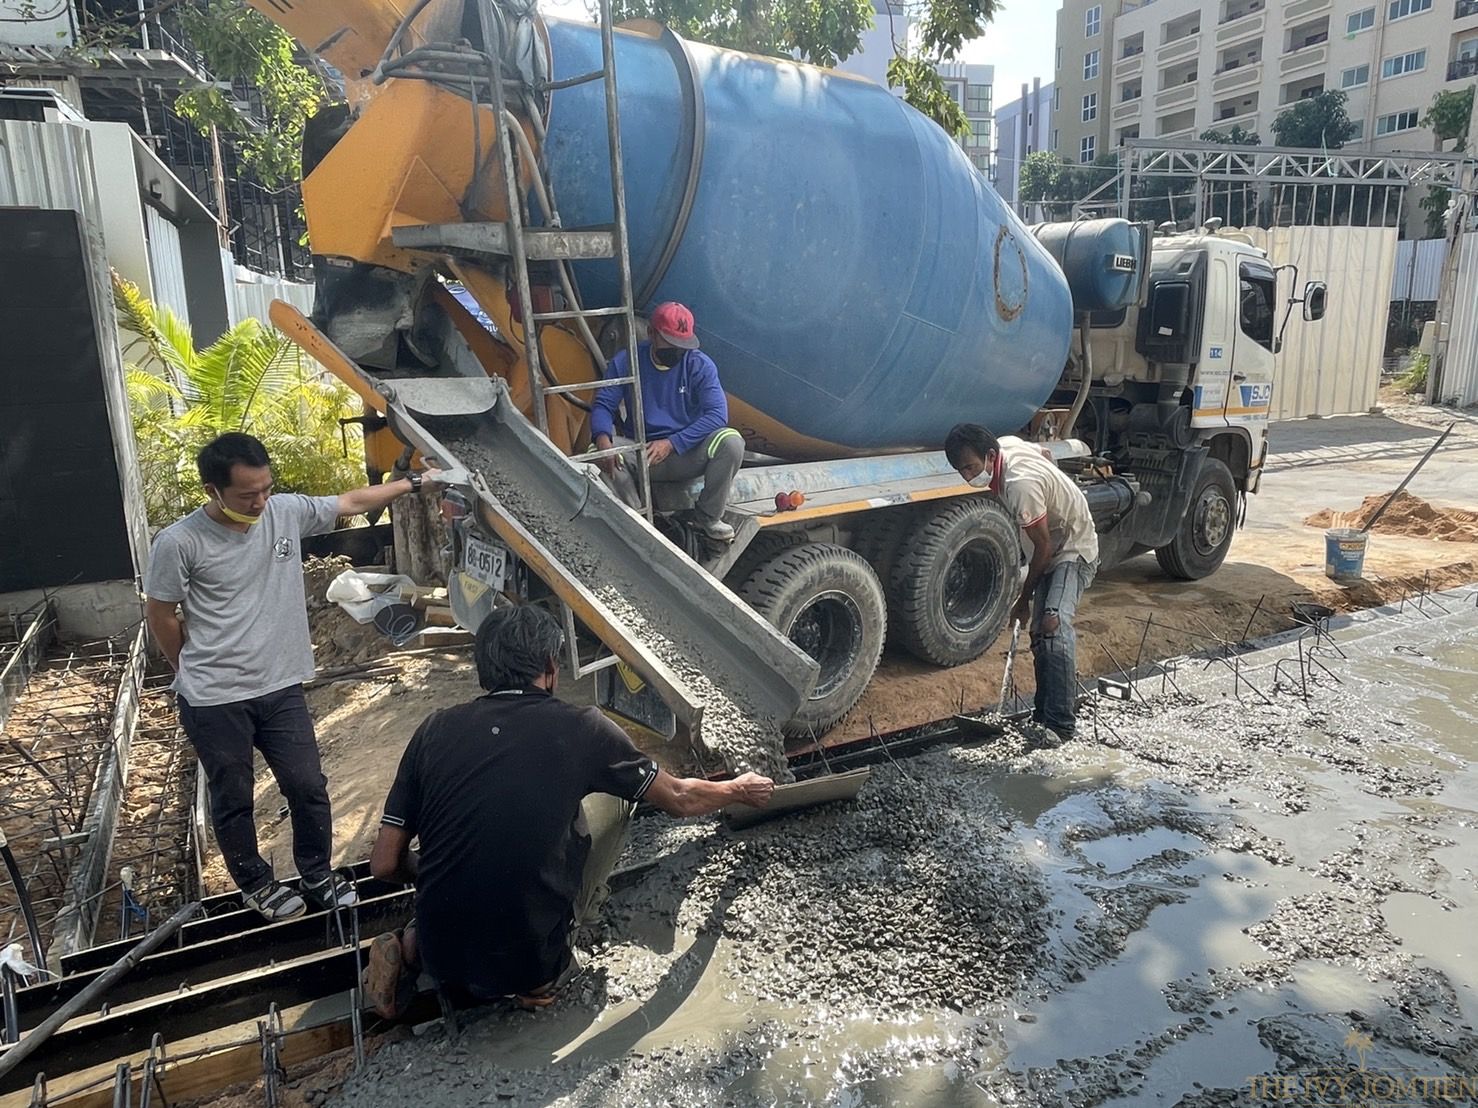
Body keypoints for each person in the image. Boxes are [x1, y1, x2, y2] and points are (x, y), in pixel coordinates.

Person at [363, 604, 775, 1016]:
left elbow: (383, 865)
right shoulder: (583, 728)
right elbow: (680, 798)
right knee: (616, 797)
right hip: (532, 962)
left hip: (442, 959)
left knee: (462, 863)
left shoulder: (433, 730)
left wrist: (433, 871)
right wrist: (738, 788)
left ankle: (413, 948)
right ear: (549, 665)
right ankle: (545, 969)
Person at [143, 432, 441, 921]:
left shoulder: (282, 512)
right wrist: (190, 669)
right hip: (215, 697)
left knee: (306, 785)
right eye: (247, 494)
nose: (260, 501)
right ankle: (256, 883)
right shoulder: (179, 542)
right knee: (233, 794)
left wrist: (413, 483)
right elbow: (161, 614)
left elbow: (349, 500)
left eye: (265, 488)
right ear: (212, 490)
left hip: (280, 685)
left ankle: (316, 872)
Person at [944, 423, 1099, 742]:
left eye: (971, 468)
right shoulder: (1005, 445)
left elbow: (1043, 548)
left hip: (1074, 546)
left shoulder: (1019, 485)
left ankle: (1060, 726)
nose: (969, 477)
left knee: (1053, 623)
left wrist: (1022, 601)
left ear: (990, 456)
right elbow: (1042, 452)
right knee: (1040, 634)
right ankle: (1042, 716)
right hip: (1051, 543)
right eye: (962, 471)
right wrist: (1053, 491)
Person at [589, 301, 745, 542]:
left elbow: (717, 415)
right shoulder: (627, 361)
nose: (677, 350)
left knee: (731, 442)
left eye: (683, 345)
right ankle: (638, 523)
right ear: (651, 333)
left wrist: (672, 443)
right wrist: (603, 439)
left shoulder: (700, 365)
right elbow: (603, 405)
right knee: (596, 452)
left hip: (687, 454)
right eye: (670, 344)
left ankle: (708, 516)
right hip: (643, 454)